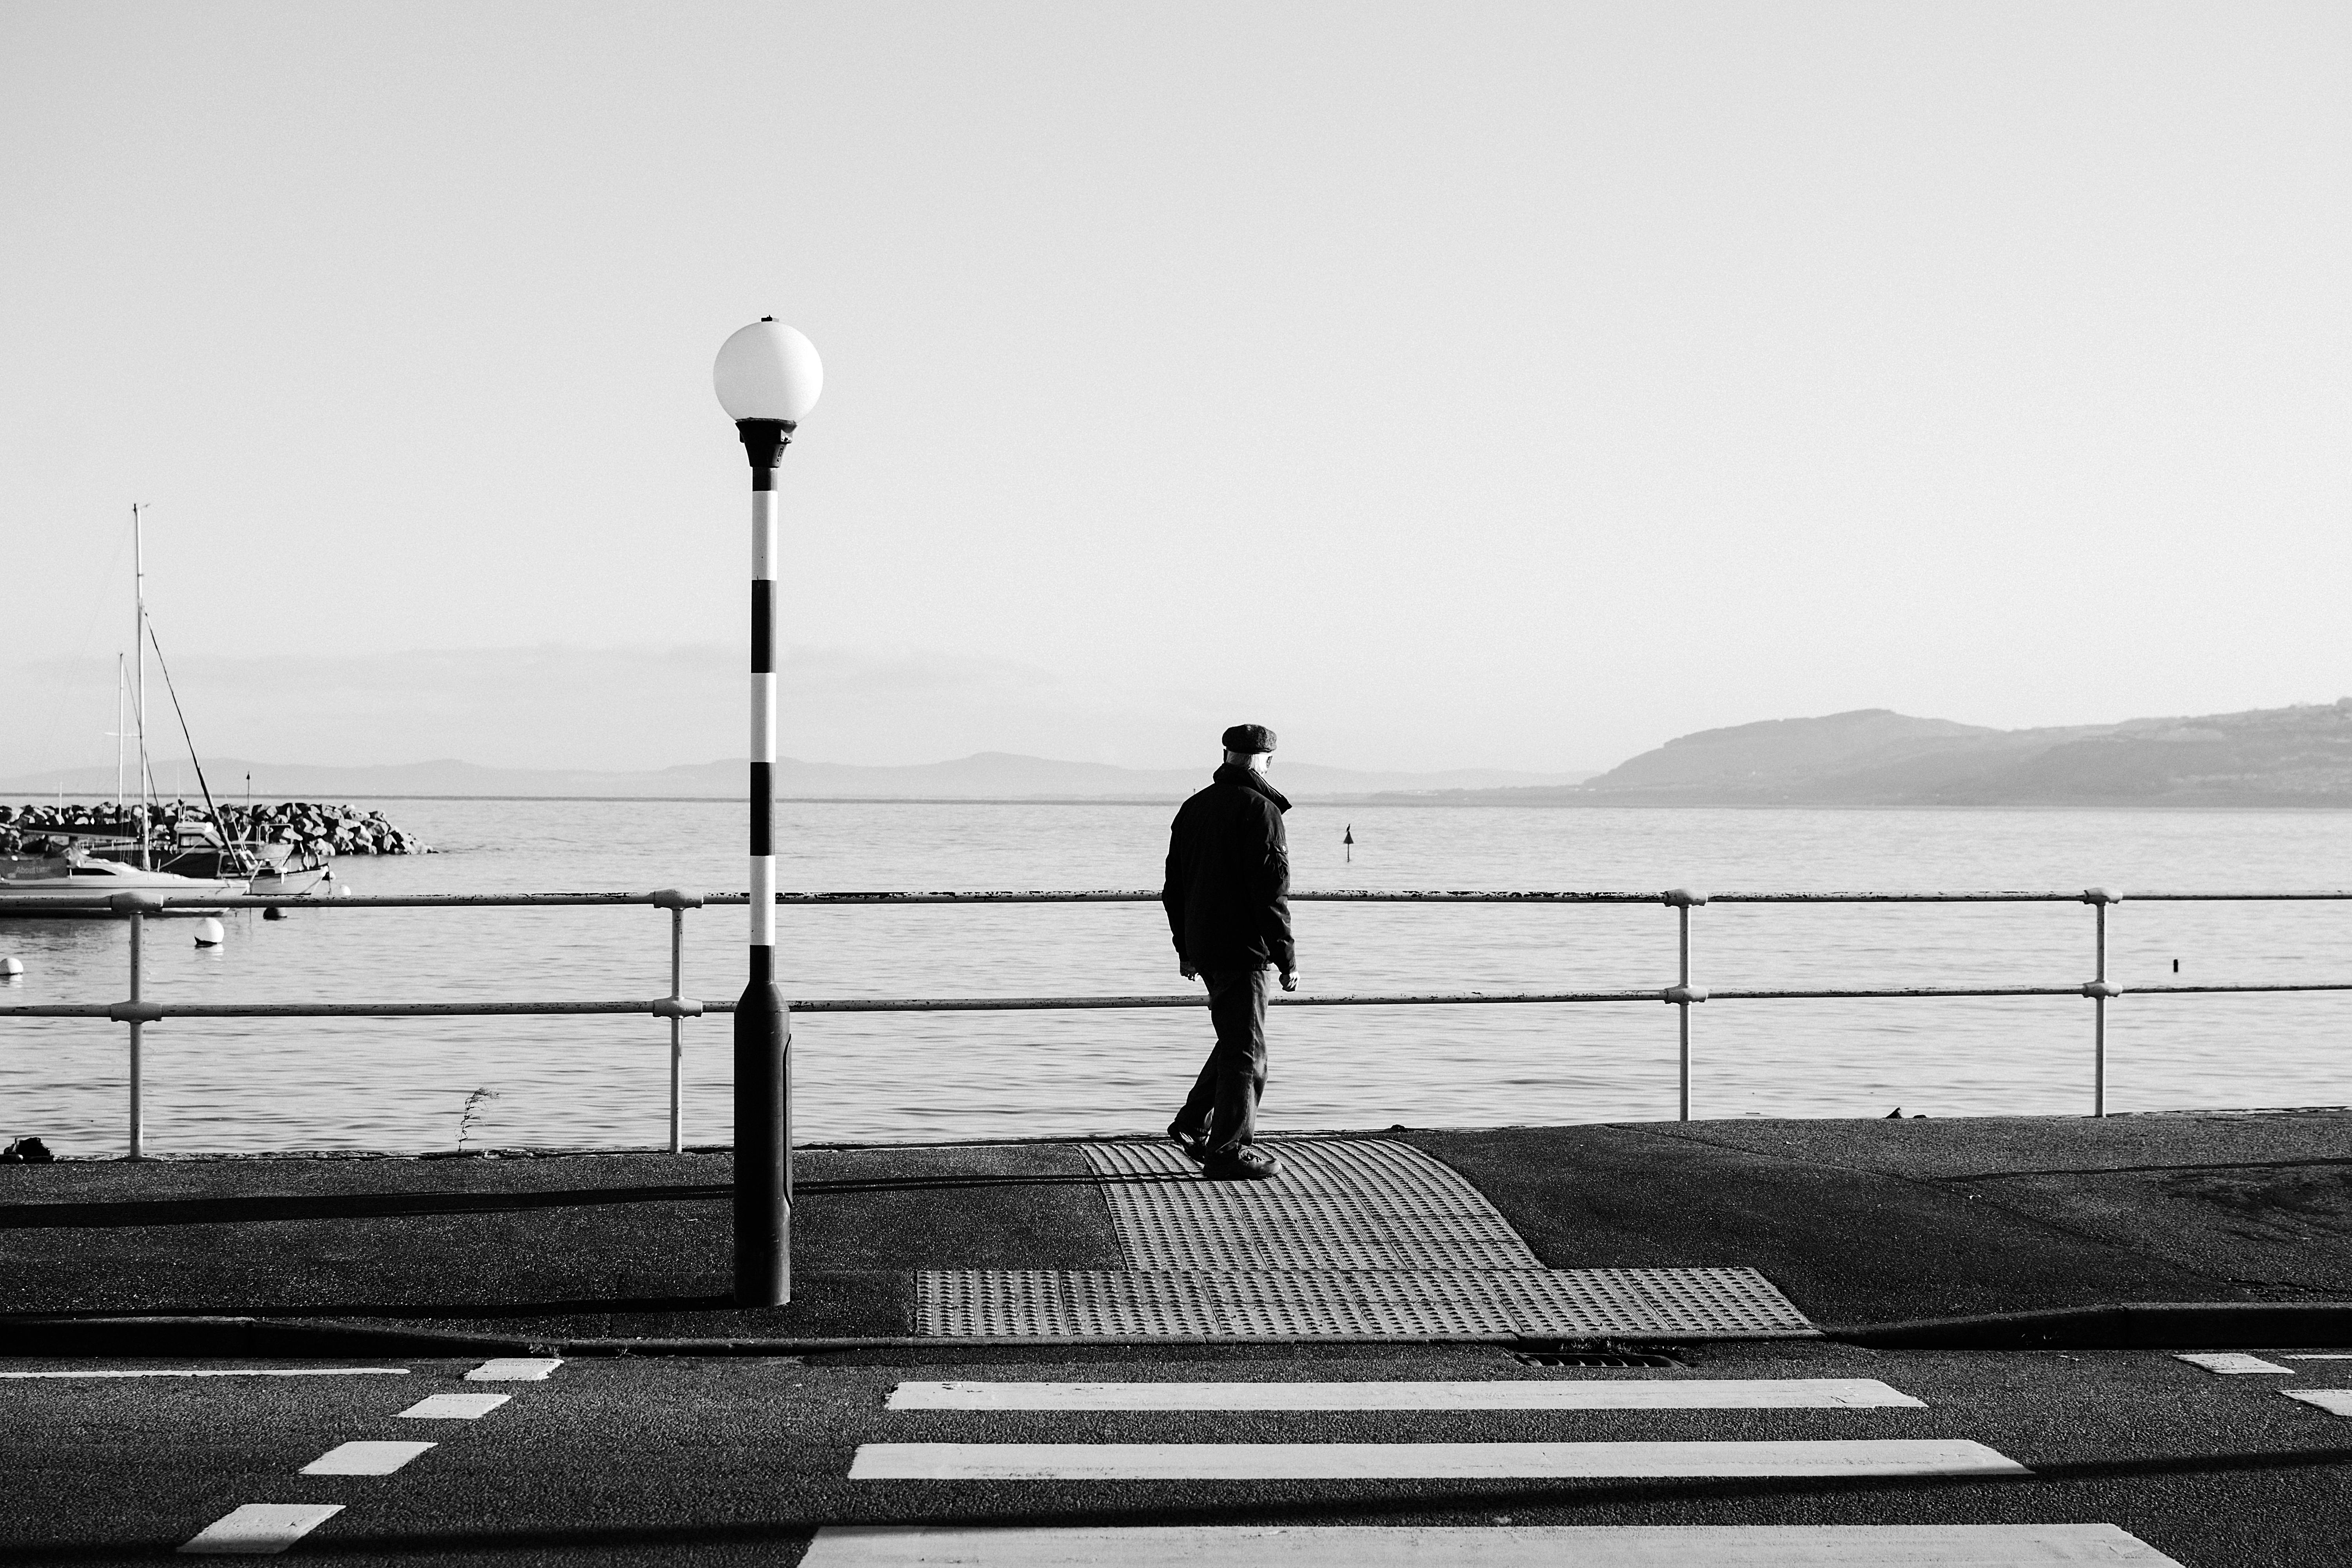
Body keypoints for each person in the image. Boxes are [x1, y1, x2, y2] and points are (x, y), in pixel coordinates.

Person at [1161, 723, 1298, 1180]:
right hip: (1244, 949)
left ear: (1227, 754)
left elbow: (1173, 889)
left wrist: (1186, 948)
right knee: (1248, 1050)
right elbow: (1270, 893)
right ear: (1266, 761)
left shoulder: (1194, 807)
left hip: (1206, 946)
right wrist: (1286, 957)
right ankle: (1228, 1150)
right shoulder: (1261, 810)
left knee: (1233, 1039)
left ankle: (1191, 1125)